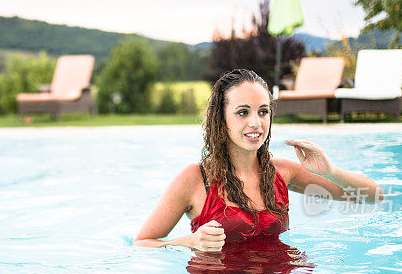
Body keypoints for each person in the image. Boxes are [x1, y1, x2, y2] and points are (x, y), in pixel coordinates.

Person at [133, 68, 383, 251]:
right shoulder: (194, 179)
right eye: (243, 112)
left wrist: (330, 172)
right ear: (221, 119)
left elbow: (373, 196)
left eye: (263, 111)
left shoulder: (283, 172)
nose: (256, 122)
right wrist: (188, 241)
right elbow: (142, 242)